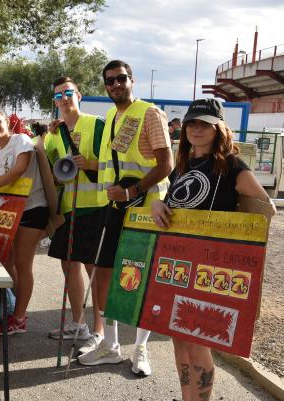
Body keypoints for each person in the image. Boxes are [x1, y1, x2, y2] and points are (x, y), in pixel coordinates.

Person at [151, 99, 275, 401]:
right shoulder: (184, 164)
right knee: (178, 338)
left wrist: (227, 235)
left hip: (207, 266)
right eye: (192, 122)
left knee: (197, 341)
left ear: (219, 128)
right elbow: (177, 205)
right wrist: (158, 203)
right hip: (176, 263)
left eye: (204, 123)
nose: (196, 128)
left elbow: (265, 210)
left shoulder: (231, 164)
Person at [78, 60, 173, 377]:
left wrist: (133, 192)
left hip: (146, 208)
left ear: (132, 81)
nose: (116, 84)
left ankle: (141, 347)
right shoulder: (110, 115)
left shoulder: (149, 113)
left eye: (121, 79)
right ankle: (111, 347)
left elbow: (166, 164)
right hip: (114, 206)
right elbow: (109, 163)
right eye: (110, 81)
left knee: (140, 277)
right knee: (105, 272)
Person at [43, 77, 105, 347]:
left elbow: (115, 161)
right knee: (69, 266)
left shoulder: (96, 124)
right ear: (55, 102)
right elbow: (49, 166)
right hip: (70, 208)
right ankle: (78, 324)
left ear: (79, 95)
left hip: (96, 206)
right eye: (59, 95)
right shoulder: (54, 133)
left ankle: (100, 331)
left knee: (95, 271)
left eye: (69, 93)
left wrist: (89, 163)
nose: (64, 98)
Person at [0, 107, 49, 335]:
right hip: (10, 212)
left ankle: (19, 318)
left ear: (7, 122)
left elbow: (20, 168)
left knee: (23, 264)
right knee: (7, 263)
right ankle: (13, 307)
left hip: (32, 209)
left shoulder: (20, 140)